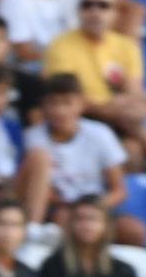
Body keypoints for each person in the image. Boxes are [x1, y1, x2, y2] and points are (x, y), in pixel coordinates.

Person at [43, 0, 146, 168]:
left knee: (132, 150)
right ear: (78, 10)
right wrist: (107, 109)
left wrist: (127, 107)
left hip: (119, 120)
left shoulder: (126, 46)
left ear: (116, 13)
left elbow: (135, 93)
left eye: (103, 5)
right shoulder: (60, 44)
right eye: (87, 5)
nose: (94, 12)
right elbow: (63, 97)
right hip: (79, 121)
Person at [24, 73, 127, 223]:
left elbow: (118, 191)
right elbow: (39, 190)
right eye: (53, 103)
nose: (60, 111)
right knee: (63, 217)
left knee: (133, 229)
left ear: (82, 104)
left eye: (67, 103)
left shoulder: (101, 133)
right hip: (57, 208)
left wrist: (91, 209)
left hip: (96, 207)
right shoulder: (33, 137)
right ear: (43, 106)